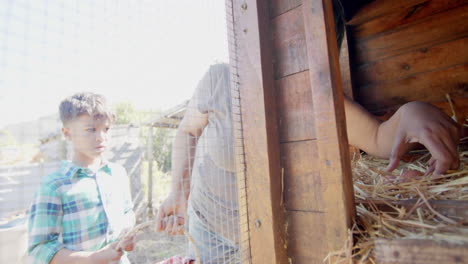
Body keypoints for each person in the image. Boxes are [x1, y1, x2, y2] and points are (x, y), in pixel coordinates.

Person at [155, 62, 460, 264]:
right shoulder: (222, 79)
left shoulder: (317, 96)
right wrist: (177, 192)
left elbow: (379, 138)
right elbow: (187, 130)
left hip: (276, 237)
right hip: (210, 231)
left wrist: (411, 112)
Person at [28, 92, 136, 264]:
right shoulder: (54, 186)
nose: (101, 137)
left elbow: (127, 212)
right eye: (90, 129)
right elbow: (40, 248)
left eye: (106, 129)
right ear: (67, 133)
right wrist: (94, 258)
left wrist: (127, 235)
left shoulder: (117, 174)